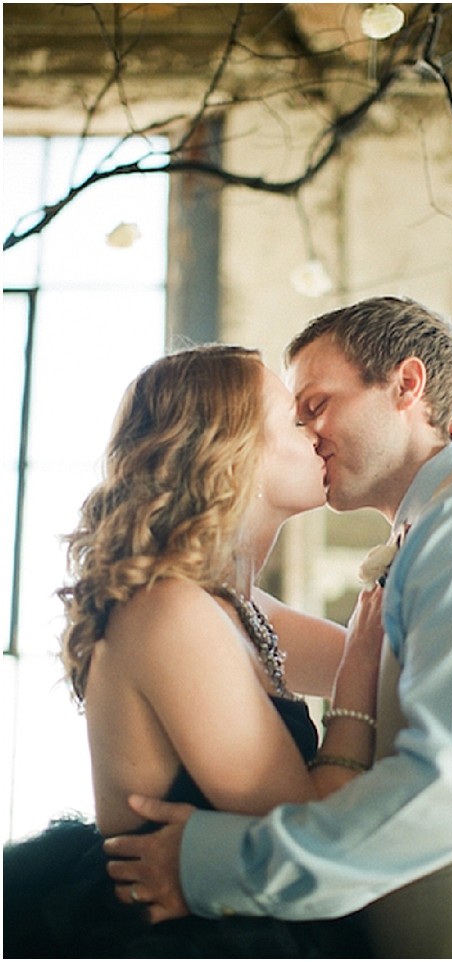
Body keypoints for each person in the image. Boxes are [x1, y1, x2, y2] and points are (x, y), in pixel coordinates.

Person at [106, 296, 452, 959]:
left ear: (407, 386)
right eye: (293, 417)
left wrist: (213, 865)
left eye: (317, 405)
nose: (309, 431)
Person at [4, 343, 390, 958]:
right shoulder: (171, 609)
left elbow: (392, 663)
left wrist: (441, 478)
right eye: (295, 420)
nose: (320, 432)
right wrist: (357, 680)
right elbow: (309, 830)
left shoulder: (236, 605)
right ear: (228, 452)